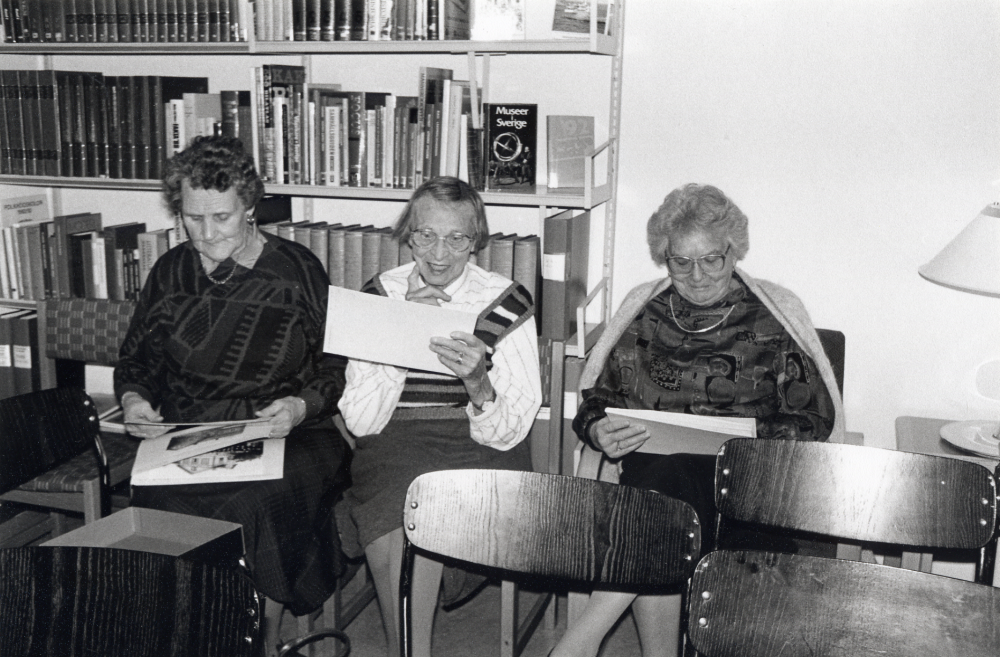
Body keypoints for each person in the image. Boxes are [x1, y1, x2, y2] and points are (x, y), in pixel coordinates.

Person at [551, 183, 845, 657]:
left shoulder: (774, 312)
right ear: (664, 259)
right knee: (666, 485)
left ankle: (580, 642)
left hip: (750, 485)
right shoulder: (644, 310)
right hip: (656, 476)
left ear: (734, 251)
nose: (699, 274)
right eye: (681, 262)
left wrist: (743, 437)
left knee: (664, 498)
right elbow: (596, 399)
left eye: (712, 258)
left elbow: (814, 418)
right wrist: (598, 428)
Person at [114, 135, 351, 656]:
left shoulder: (295, 270)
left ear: (250, 208)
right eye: (192, 218)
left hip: (286, 431)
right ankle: (187, 633)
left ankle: (255, 641)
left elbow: (334, 369)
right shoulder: (170, 271)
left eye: (220, 217)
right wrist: (135, 400)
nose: (205, 233)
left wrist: (298, 406)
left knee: (254, 507)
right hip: (190, 429)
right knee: (155, 498)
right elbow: (137, 361)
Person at [338, 176, 542, 657]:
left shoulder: (507, 301)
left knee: (430, 512)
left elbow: (512, 429)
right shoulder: (379, 295)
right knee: (399, 513)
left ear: (477, 241)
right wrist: (398, 336)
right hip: (396, 438)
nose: (438, 253)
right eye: (425, 235)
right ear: (408, 233)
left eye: (457, 238)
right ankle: (411, 651)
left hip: (479, 443)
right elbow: (361, 421)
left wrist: (477, 383)